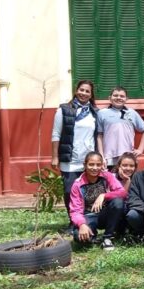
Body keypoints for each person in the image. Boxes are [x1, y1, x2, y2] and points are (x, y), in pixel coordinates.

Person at [52, 80, 99, 219]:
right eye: (81, 90)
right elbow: (56, 134)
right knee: (69, 191)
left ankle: (85, 220)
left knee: (87, 191)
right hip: (70, 158)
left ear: (91, 95)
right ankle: (73, 220)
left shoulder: (95, 112)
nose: (83, 93)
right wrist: (55, 157)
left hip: (89, 160)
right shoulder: (63, 110)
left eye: (87, 91)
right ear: (76, 90)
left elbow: (97, 135)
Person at [69, 151, 127, 251]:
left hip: (105, 214)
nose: (95, 168)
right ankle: (93, 235)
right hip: (88, 216)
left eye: (98, 165)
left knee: (118, 202)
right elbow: (75, 211)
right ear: (85, 165)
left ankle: (108, 237)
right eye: (91, 164)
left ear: (102, 165)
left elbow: (122, 192)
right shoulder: (77, 184)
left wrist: (104, 195)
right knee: (79, 236)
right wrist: (82, 224)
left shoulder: (107, 176)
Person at [96, 86, 144, 166]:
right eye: (115, 95)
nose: (118, 98)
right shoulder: (102, 113)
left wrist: (140, 149)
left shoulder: (132, 113)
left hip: (127, 158)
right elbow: (99, 135)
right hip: (108, 159)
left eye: (122, 96)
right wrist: (101, 156)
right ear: (109, 98)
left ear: (126, 99)